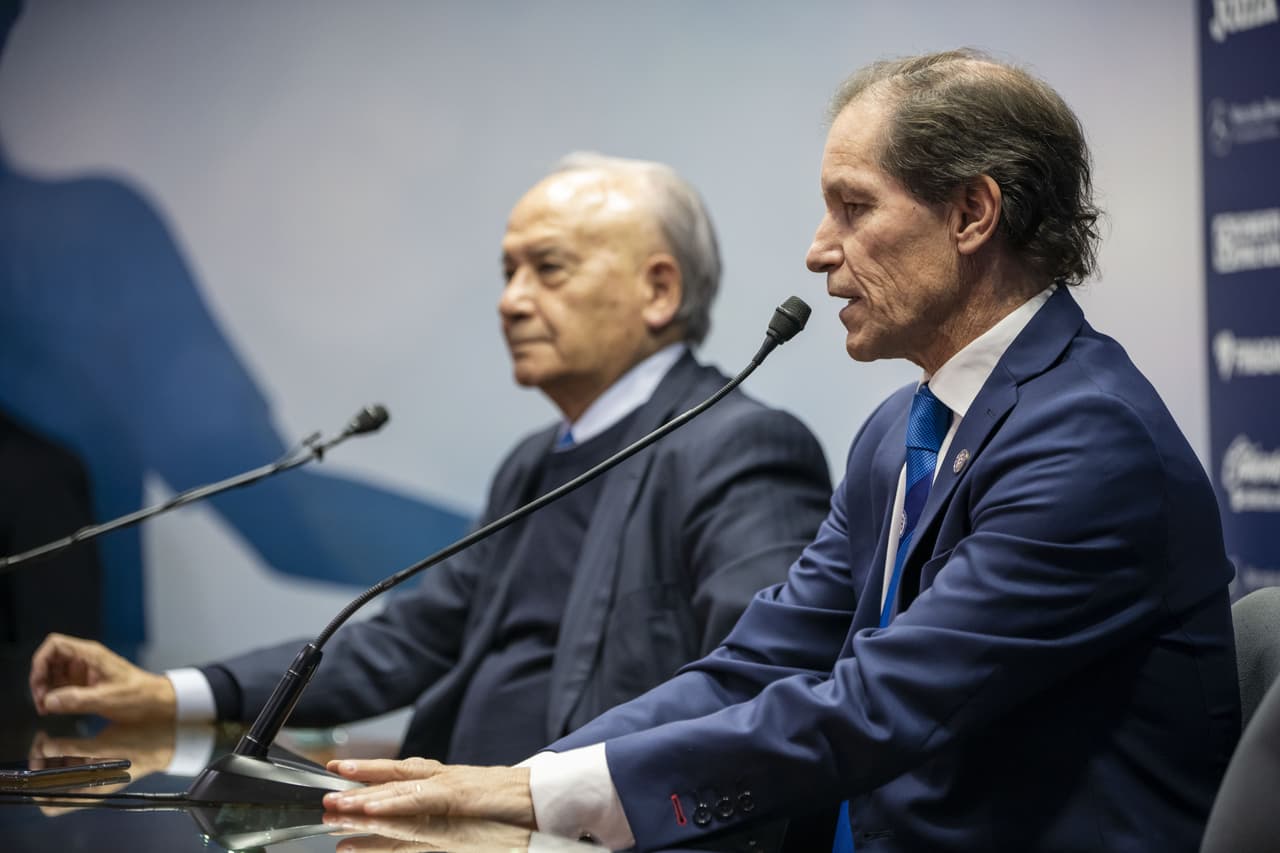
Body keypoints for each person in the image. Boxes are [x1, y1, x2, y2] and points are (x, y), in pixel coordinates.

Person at [319, 50, 1242, 853]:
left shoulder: (1089, 443)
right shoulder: (898, 430)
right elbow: (753, 664)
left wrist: (532, 797)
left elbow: (878, 705)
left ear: (971, 213)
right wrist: (534, 781)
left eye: (852, 207)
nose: (817, 251)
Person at [27, 153, 833, 766]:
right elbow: (405, 641)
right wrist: (177, 694)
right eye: (508, 272)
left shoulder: (737, 445)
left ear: (658, 291)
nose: (510, 299)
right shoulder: (532, 461)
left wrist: (528, 793)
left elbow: (762, 686)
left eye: (547, 269)